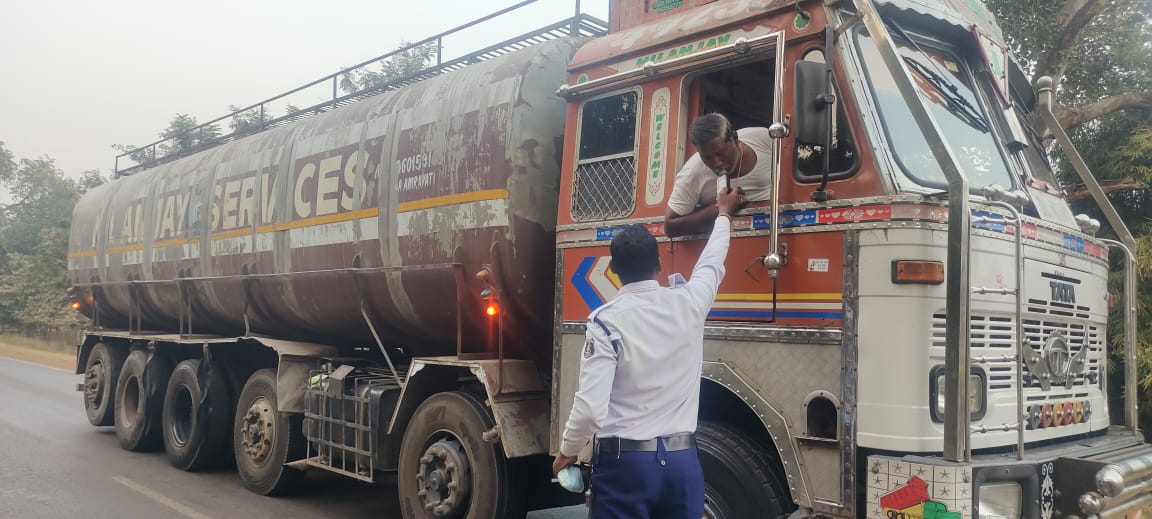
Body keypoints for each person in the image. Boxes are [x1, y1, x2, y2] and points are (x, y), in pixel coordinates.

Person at [552, 185, 746, 519]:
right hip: (683, 466)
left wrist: (567, 452)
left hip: (625, 469)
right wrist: (724, 214)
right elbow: (712, 261)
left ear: (613, 270)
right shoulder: (690, 303)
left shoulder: (605, 322)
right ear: (658, 263)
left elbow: (590, 408)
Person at [664, 113, 775, 237]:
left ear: (735, 139)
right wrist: (718, 209)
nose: (717, 163)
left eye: (720, 153)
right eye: (707, 158)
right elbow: (670, 227)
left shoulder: (764, 138)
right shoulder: (692, 172)